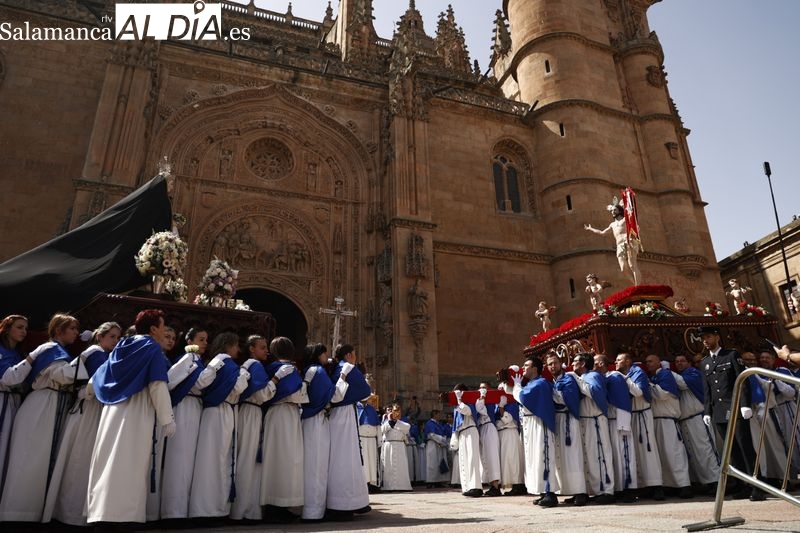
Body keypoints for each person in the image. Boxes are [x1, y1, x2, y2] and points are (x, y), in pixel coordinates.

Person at [86, 309, 175, 524]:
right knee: (129, 463)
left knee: (107, 462)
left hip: (112, 410)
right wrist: (167, 418)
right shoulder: (152, 347)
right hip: (135, 410)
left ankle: (101, 514)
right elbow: (157, 385)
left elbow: (98, 377)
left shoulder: (122, 345)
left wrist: (88, 392)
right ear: (154, 329)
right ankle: (122, 519)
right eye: (163, 327)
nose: (164, 331)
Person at [0, 313, 79, 522]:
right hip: (35, 407)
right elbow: (61, 376)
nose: (24, 332)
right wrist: (90, 357)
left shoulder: (22, 352)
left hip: (31, 405)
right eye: (72, 329)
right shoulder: (49, 350)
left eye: (26, 328)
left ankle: (25, 514)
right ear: (59, 330)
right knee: (27, 458)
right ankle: (15, 514)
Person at [43, 321, 121, 526]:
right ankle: (70, 514)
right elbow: (89, 381)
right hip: (87, 410)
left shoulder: (105, 355)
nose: (116, 340)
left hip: (94, 410)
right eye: (112, 336)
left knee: (86, 460)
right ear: (100, 336)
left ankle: (79, 513)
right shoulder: (95, 353)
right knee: (79, 458)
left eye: (118, 337)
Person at [698, 326, 763, 501]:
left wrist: (744, 404)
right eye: (703, 338)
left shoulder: (731, 355)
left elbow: (742, 380)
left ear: (717, 337)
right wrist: (707, 411)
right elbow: (707, 390)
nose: (705, 340)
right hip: (719, 412)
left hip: (735, 408)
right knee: (731, 450)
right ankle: (742, 485)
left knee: (745, 446)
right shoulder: (704, 362)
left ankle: (757, 486)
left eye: (709, 336)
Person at [189, 332, 250, 519]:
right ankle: (208, 510)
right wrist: (243, 373)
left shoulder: (221, 361)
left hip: (221, 411)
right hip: (219, 412)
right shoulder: (224, 360)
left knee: (216, 459)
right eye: (236, 346)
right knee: (214, 460)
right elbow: (203, 382)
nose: (238, 350)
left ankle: (213, 508)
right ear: (228, 345)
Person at [160, 327, 213, 520]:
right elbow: (171, 381)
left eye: (206, 339)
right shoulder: (188, 358)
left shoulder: (197, 360)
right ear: (189, 341)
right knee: (180, 457)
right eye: (201, 339)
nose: (205, 343)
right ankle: (173, 512)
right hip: (184, 407)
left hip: (194, 407)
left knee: (188, 459)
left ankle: (182, 509)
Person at [260, 336, 308, 523]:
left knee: (277, 459)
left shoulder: (270, 369)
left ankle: (277, 505)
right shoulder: (288, 370)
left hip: (277, 415)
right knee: (286, 460)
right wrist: (304, 385)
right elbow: (297, 395)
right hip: (285, 415)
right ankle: (278, 506)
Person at [300, 342, 345, 522]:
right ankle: (314, 512)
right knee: (318, 466)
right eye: (325, 353)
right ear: (318, 354)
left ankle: (308, 509)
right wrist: (342, 377)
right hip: (318, 420)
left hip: (308, 420)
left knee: (309, 465)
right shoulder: (318, 371)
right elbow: (335, 396)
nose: (327, 356)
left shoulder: (308, 370)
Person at [326, 343, 372, 519]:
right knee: (346, 457)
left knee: (340, 456)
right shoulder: (348, 368)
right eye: (354, 354)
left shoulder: (334, 368)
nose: (355, 357)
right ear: (348, 355)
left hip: (337, 415)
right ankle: (343, 503)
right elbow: (365, 390)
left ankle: (350, 501)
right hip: (344, 414)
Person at [229, 334, 271, 522]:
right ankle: (243, 509)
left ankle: (246, 508)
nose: (266, 351)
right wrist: (276, 382)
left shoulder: (247, 365)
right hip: (251, 412)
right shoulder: (255, 366)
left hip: (245, 412)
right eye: (262, 347)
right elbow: (262, 394)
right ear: (252, 349)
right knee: (248, 458)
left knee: (245, 457)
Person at [615, 352, 664, 500]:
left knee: (648, 450)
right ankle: (643, 486)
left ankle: (657, 487)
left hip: (642, 414)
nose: (616, 362)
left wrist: (623, 379)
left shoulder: (637, 373)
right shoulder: (626, 374)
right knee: (635, 451)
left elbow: (638, 392)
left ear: (628, 361)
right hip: (631, 415)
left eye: (619, 360)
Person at [512, 356, 559, 507]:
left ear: (535, 369)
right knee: (534, 459)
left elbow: (523, 397)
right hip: (531, 423)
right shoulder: (532, 383)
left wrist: (516, 386)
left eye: (526, 365)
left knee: (543, 457)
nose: (523, 368)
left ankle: (550, 493)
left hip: (540, 424)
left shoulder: (541, 383)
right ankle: (542, 491)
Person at [643, 355, 692, 499]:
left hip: (668, 420)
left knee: (675, 454)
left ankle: (684, 485)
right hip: (656, 421)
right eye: (646, 362)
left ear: (659, 362)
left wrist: (647, 384)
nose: (648, 364)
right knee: (662, 456)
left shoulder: (665, 374)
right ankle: (670, 485)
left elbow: (663, 394)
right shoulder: (652, 377)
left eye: (651, 361)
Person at [672, 354, 720, 491]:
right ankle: (703, 482)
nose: (679, 363)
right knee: (694, 454)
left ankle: (716, 481)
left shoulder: (693, 373)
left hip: (698, 418)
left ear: (688, 363)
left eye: (682, 361)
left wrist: (667, 371)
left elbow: (683, 383)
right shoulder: (680, 375)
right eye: (676, 361)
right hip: (685, 421)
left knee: (706, 450)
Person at [571, 352, 615, 503]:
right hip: (585, 422)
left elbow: (594, 392)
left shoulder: (593, 376)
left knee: (601, 455)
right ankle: (594, 490)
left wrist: (576, 379)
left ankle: (607, 491)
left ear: (583, 364)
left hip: (596, 420)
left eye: (575, 361)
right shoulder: (582, 378)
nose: (572, 364)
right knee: (589, 457)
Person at [545, 351, 588, 506]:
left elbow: (567, 398)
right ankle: (570, 490)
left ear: (560, 363)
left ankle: (581, 492)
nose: (552, 366)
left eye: (555, 363)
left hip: (570, 419)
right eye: (549, 364)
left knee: (573, 456)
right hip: (558, 420)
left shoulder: (568, 379)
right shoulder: (553, 381)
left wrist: (551, 392)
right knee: (562, 457)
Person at [595, 354, 638, 502]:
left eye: (595, 362)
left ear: (601, 363)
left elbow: (621, 399)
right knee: (613, 456)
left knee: (624, 454)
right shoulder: (601, 378)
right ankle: (618, 488)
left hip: (619, 420)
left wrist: (623, 421)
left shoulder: (615, 376)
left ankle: (629, 488)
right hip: (608, 421)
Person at [759, 348, 800, 477]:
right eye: (762, 358)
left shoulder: (782, 371)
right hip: (773, 411)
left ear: (773, 359)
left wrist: (776, 380)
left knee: (796, 440)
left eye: (767, 357)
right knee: (785, 443)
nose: (764, 360)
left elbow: (791, 392)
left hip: (787, 407)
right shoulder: (760, 374)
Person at [0, 314, 28, 490]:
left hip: (13, 402)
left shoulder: (18, 353)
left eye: (25, 328)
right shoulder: (1, 351)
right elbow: (8, 378)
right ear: (7, 328)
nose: (24, 331)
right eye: (19, 327)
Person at [584, 200, 642, 285]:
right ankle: (634, 284)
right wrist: (590, 229)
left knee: (632, 265)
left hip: (629, 243)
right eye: (611, 211)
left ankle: (638, 286)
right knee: (623, 268)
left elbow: (636, 227)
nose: (612, 212)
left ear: (619, 210)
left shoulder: (626, 219)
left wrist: (633, 235)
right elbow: (602, 233)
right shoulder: (612, 225)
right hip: (619, 246)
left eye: (614, 210)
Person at [451, 383, 482, 497]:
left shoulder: (469, 401)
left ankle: (476, 487)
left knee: (472, 459)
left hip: (470, 430)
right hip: (462, 432)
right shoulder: (457, 406)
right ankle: (467, 486)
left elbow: (468, 411)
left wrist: (460, 400)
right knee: (463, 460)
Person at [475, 382, 502, 496]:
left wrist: (482, 396)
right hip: (482, 428)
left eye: (484, 388)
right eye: (480, 388)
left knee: (491, 457)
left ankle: (496, 486)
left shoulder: (489, 400)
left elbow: (480, 408)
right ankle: (492, 485)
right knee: (485, 457)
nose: (482, 390)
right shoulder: (481, 399)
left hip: (489, 426)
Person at [381, 403, 412, 491]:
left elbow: (407, 427)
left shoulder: (403, 423)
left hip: (399, 446)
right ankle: (389, 486)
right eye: (394, 411)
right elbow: (382, 430)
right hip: (389, 446)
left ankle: (402, 486)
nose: (396, 413)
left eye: (398, 411)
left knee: (400, 467)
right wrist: (390, 422)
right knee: (389, 466)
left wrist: (395, 423)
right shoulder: (385, 422)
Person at [358, 394, 381, 493]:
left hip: (372, 440)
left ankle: (372, 484)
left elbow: (378, 426)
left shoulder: (372, 409)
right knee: (364, 463)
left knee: (372, 462)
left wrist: (379, 440)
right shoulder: (356, 408)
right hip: (361, 439)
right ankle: (363, 484)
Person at [423, 409, 450, 488]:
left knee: (440, 463)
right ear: (434, 415)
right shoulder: (429, 423)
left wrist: (443, 441)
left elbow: (443, 433)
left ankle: (439, 480)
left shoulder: (439, 424)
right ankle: (431, 481)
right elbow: (431, 434)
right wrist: (442, 440)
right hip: (433, 444)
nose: (440, 416)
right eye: (439, 414)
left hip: (440, 445)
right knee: (432, 463)